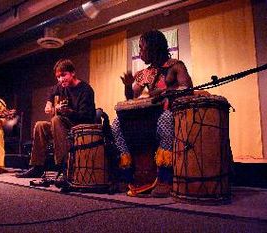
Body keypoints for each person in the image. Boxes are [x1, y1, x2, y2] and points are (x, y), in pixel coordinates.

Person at [112, 29, 193, 197]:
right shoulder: (146, 73)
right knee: (116, 124)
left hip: (167, 115)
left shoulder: (176, 66)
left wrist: (164, 93)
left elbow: (188, 89)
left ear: (154, 47)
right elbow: (131, 97)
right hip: (147, 118)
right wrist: (128, 85)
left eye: (142, 48)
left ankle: (164, 179)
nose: (140, 52)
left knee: (165, 119)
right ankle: (126, 177)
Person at [16, 59, 96, 178]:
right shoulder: (61, 86)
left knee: (56, 119)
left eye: (64, 75)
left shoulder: (85, 89)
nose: (60, 79)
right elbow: (51, 92)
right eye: (58, 77)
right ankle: (37, 167)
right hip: (61, 126)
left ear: (72, 73)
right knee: (40, 125)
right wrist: (49, 103)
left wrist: (68, 112)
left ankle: (64, 167)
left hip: (79, 127)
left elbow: (86, 117)